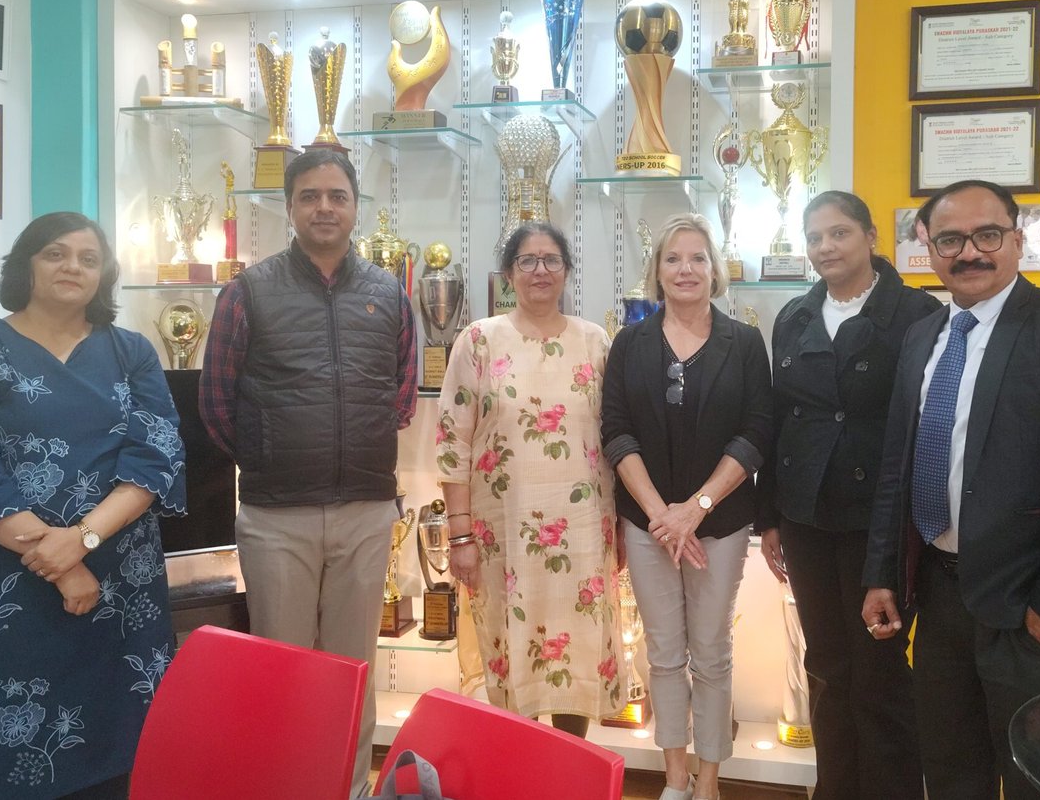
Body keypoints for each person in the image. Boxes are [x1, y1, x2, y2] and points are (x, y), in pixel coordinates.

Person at [861, 179, 1040, 800]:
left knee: (1036, 777)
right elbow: (897, 469)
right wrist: (882, 574)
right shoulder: (922, 336)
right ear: (928, 247)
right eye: (950, 240)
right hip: (938, 594)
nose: (969, 253)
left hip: (1028, 605)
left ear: (1018, 239)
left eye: (987, 235)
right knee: (950, 770)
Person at [0, 212, 186, 799]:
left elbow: (156, 458)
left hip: (122, 584)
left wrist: (82, 540)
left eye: (89, 259)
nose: (73, 267)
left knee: (126, 749)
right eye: (55, 254)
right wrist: (62, 564)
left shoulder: (132, 351)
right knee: (20, 763)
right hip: (11, 585)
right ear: (26, 264)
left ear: (104, 274)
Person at [198, 148, 416, 800]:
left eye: (337, 195)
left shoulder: (388, 293)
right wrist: (270, 457)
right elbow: (215, 403)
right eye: (310, 196)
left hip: (365, 511)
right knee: (282, 672)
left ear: (355, 206)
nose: (325, 207)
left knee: (353, 673)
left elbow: (401, 395)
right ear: (289, 207)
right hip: (277, 517)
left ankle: (348, 790)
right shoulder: (247, 293)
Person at [754, 191, 937, 800]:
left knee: (879, 671)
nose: (825, 247)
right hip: (806, 515)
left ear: (871, 238)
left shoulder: (916, 314)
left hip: (881, 519)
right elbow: (778, 419)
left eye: (839, 233)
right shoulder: (795, 316)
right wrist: (769, 517)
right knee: (827, 667)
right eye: (815, 238)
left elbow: (922, 425)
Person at [601, 214, 772, 800]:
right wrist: (661, 515)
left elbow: (756, 433)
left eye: (698, 258)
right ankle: (675, 778)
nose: (685, 269)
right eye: (673, 258)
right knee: (665, 655)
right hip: (649, 524)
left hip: (719, 524)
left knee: (712, 653)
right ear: (657, 271)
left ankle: (709, 782)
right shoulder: (629, 344)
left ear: (715, 270)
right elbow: (616, 432)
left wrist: (695, 509)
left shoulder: (744, 343)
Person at [435, 222, 625, 737]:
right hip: (502, 537)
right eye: (527, 260)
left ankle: (568, 769)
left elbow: (617, 438)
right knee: (510, 658)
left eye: (551, 260)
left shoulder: (595, 342)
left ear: (566, 270)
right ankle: (519, 770)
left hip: (583, 536)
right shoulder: (478, 341)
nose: (540, 270)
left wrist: (624, 526)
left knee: (577, 654)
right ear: (509, 273)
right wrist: (460, 536)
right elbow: (452, 443)